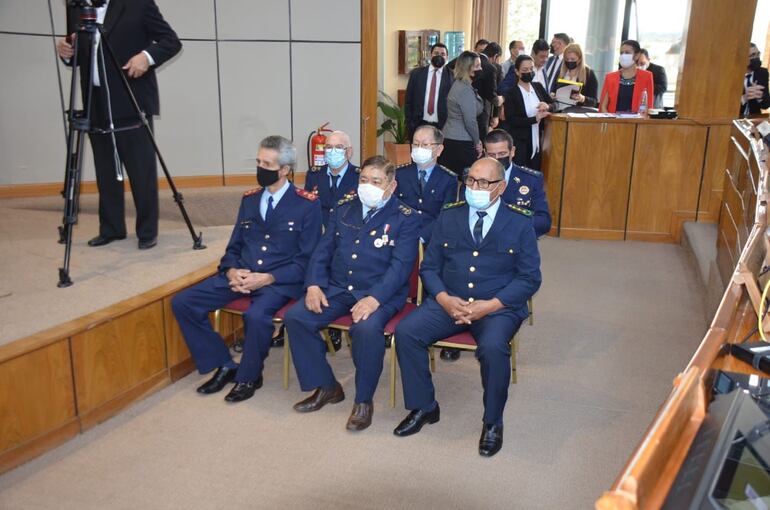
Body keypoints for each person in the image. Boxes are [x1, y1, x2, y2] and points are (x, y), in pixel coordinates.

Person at [393, 157, 541, 457]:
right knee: (408, 333)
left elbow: (529, 278)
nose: (475, 187)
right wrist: (445, 299)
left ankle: (492, 422)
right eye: (471, 180)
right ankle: (425, 407)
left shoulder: (520, 221)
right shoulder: (450, 216)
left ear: (501, 187)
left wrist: (491, 306)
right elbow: (430, 267)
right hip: (451, 300)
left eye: (484, 182)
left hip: (497, 306)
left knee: (492, 348)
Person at [171, 136, 322, 402]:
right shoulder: (250, 199)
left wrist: (267, 278)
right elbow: (234, 247)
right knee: (183, 302)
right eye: (258, 162)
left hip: (276, 281)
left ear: (285, 169)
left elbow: (307, 259)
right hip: (241, 276)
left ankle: (249, 376)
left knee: (255, 316)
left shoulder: (306, 204)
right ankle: (224, 364)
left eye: (267, 163)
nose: (260, 168)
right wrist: (231, 271)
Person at [284, 156, 420, 431]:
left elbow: (400, 267)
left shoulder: (406, 218)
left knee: (366, 330)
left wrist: (374, 299)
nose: (367, 186)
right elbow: (323, 250)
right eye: (363, 180)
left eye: (376, 181)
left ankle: (363, 400)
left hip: (379, 292)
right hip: (338, 287)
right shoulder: (344, 208)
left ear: (391, 186)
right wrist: (313, 284)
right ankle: (327, 386)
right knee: (297, 316)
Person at [57, 0, 182, 250]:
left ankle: (147, 231)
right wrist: (67, 52)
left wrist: (146, 57)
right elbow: (83, 53)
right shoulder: (76, 7)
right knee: (105, 168)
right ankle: (112, 228)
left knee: (140, 170)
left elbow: (171, 41)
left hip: (131, 98)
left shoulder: (138, 4)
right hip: (95, 101)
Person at [395, 125, 459, 243]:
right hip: (401, 237)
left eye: (425, 145)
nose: (419, 148)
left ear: (439, 149)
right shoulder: (399, 174)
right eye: (415, 144)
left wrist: (422, 237)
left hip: (432, 240)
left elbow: (445, 216)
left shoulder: (448, 179)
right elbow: (393, 208)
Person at [484, 129, 551, 236]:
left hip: (517, 242)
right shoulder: (474, 179)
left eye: (502, 154)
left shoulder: (531, 179)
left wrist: (511, 225)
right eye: (492, 155)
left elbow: (543, 221)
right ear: (485, 154)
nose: (497, 159)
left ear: (512, 151)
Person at [503, 54, 555, 170]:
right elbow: (511, 120)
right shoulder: (511, 93)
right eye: (525, 70)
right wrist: (534, 119)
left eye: (531, 69)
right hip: (520, 141)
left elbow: (554, 105)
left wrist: (547, 106)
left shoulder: (538, 87)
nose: (529, 72)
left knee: (535, 171)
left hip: (539, 139)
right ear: (517, 72)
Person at [438, 51, 484, 178]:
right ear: (467, 68)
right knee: (468, 180)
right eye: (477, 66)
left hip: (451, 139)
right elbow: (470, 121)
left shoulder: (460, 85)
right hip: (461, 142)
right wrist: (477, 142)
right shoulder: (464, 89)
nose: (481, 69)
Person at [304, 130, 359, 228]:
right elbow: (307, 208)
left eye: (339, 147)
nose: (333, 151)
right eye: (329, 147)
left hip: (346, 232)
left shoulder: (359, 177)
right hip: (320, 231)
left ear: (349, 152)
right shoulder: (314, 175)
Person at [404, 43, 453, 140]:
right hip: (418, 124)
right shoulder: (416, 74)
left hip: (442, 127)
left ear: (447, 57)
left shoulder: (452, 76)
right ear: (431, 55)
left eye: (442, 54)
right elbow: (408, 100)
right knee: (418, 153)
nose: (439, 56)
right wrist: (410, 123)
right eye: (436, 53)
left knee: (440, 154)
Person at [599, 40, 655, 114]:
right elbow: (603, 106)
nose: (623, 55)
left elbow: (648, 106)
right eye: (621, 53)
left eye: (627, 53)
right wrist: (609, 121)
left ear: (637, 55)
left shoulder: (646, 76)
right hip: (612, 122)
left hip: (636, 122)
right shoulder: (610, 77)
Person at [552, 43, 599, 108]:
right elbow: (553, 91)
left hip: (576, 114)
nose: (569, 61)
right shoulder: (561, 72)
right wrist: (552, 95)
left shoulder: (588, 74)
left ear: (579, 59)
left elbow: (594, 102)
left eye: (572, 59)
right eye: (567, 59)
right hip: (558, 112)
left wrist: (582, 98)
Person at [477, 42, 504, 134]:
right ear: (495, 56)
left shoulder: (468, 59)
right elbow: (493, 94)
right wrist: (501, 99)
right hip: (482, 111)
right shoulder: (491, 68)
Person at [741, 43, 770, 118]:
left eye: (758, 54)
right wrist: (745, 97)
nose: (757, 58)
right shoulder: (733, 74)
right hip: (734, 119)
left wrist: (760, 97)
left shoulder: (763, 73)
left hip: (754, 119)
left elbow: (766, 105)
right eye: (753, 55)